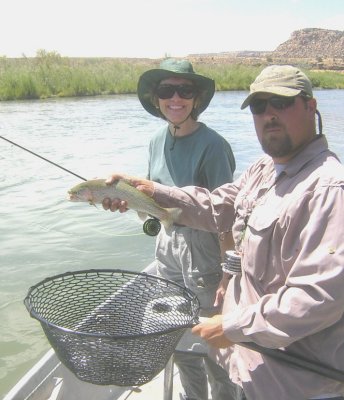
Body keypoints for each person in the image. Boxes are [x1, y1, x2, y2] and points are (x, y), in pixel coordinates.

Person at [103, 65, 344, 399]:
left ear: (310, 106)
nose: (269, 114)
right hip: (249, 367)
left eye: (282, 102)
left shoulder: (329, 190)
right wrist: (151, 192)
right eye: (260, 106)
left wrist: (232, 326)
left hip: (292, 384)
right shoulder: (264, 167)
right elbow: (217, 207)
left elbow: (318, 298)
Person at [136, 58, 239, 400]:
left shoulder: (213, 145)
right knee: (176, 334)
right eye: (167, 90)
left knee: (213, 344)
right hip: (166, 247)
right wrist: (135, 208)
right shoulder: (154, 141)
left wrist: (228, 274)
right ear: (156, 98)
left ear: (196, 99)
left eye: (185, 90)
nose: (175, 98)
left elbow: (226, 216)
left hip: (204, 251)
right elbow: (154, 202)